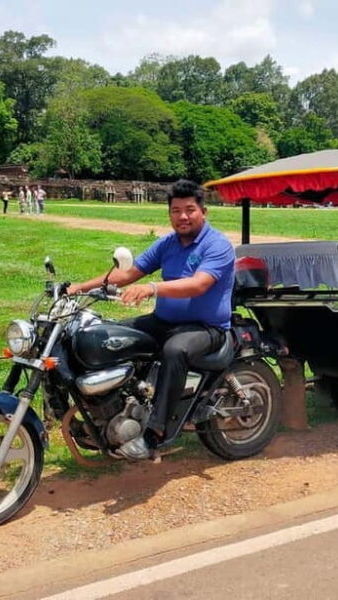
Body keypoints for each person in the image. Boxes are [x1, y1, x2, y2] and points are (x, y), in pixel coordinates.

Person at [68, 179, 235, 460]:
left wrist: (152, 288)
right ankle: (100, 413)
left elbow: (198, 285)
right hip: (164, 321)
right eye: (175, 210)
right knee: (104, 335)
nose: (182, 216)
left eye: (190, 209)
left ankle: (154, 434)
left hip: (207, 328)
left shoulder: (217, 245)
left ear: (203, 212)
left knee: (175, 350)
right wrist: (78, 287)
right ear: (169, 213)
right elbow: (128, 274)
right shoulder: (168, 244)